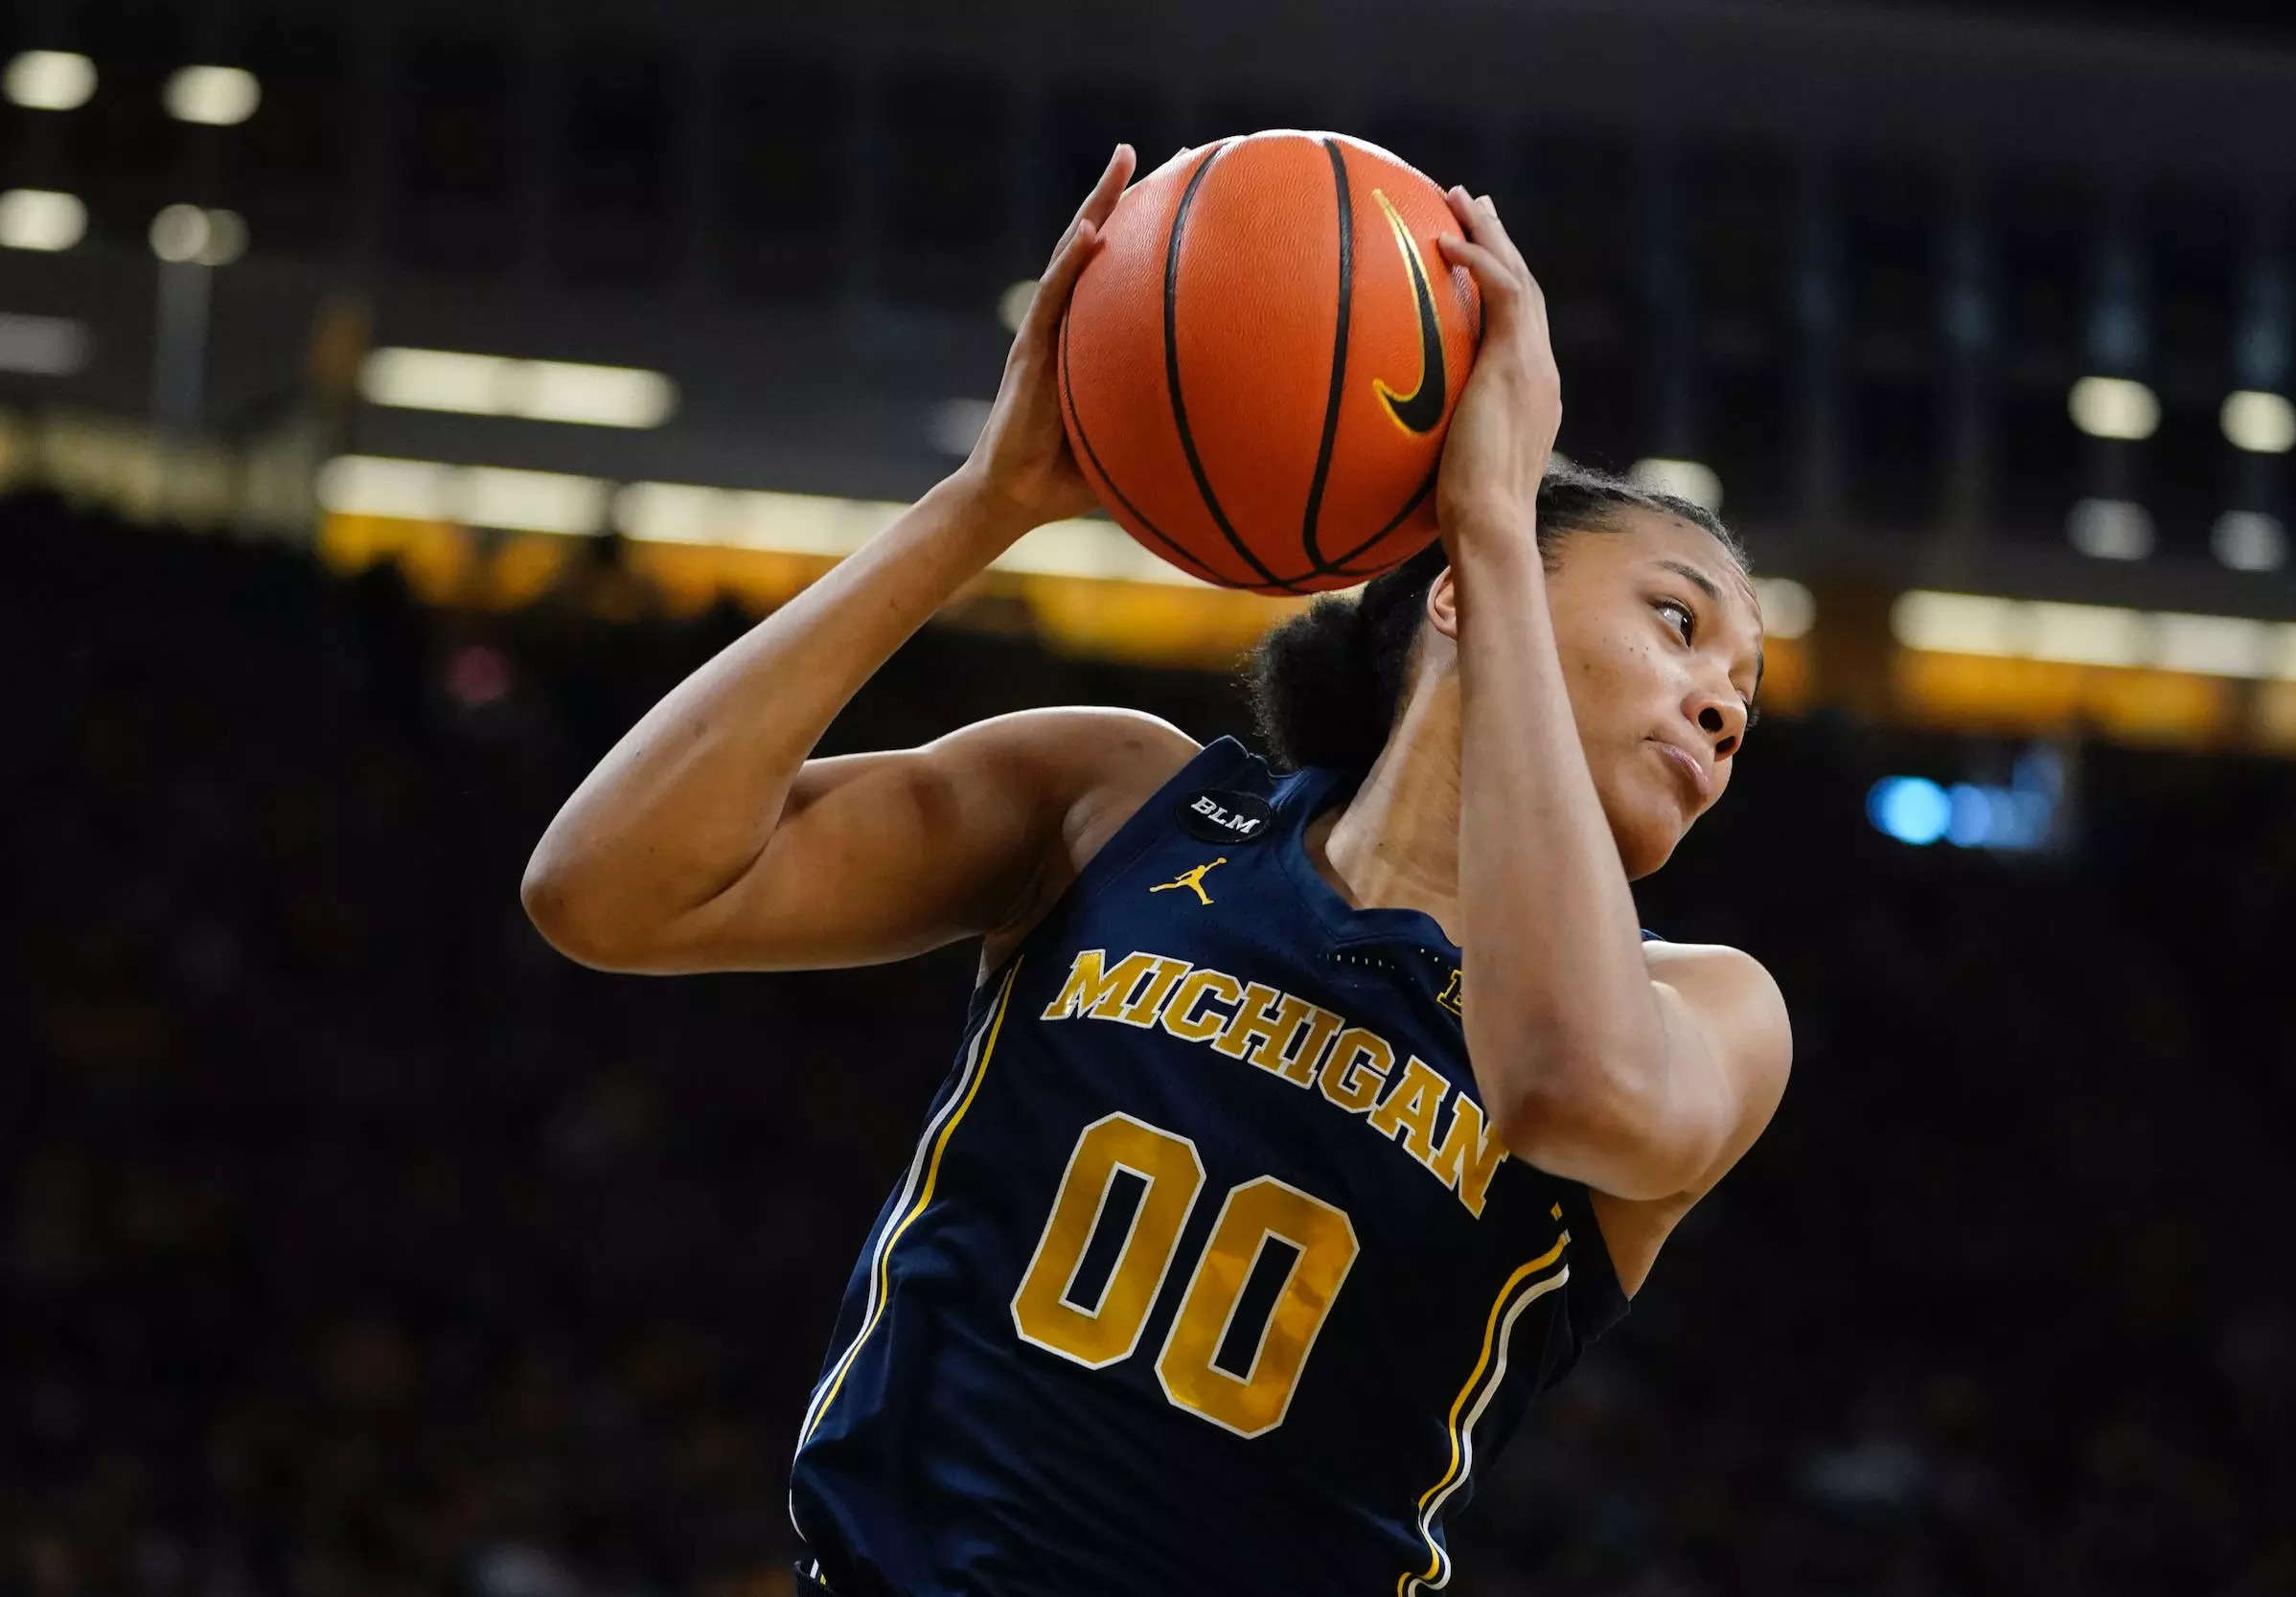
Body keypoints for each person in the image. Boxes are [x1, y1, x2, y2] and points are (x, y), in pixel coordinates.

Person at [520, 144, 1791, 1596]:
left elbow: (1563, 1079)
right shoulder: (1119, 802)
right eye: (1681, 623)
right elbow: (606, 889)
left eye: (1749, 688)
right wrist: (983, 506)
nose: (1725, 704)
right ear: (1448, 596)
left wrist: (1499, 522)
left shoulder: (1705, 1012)